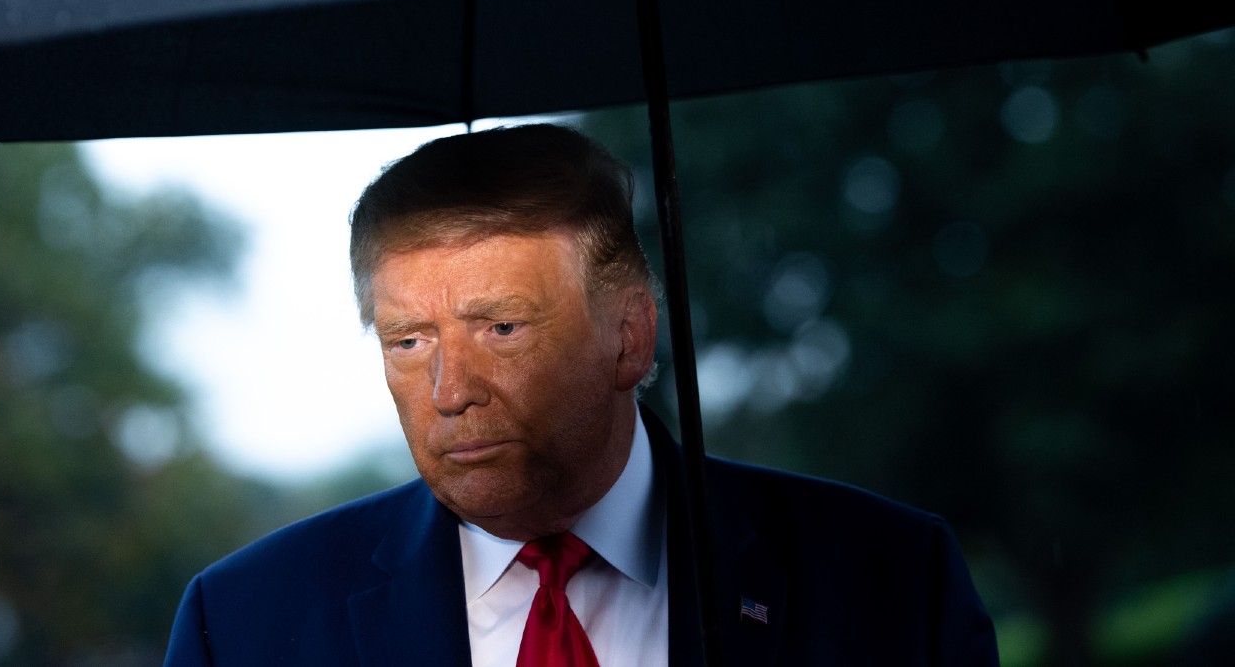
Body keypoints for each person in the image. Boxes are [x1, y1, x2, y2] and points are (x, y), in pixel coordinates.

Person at [162, 124, 999, 666]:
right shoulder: (238, 627)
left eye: (502, 329)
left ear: (630, 334)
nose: (450, 391)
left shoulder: (891, 583)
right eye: (409, 342)